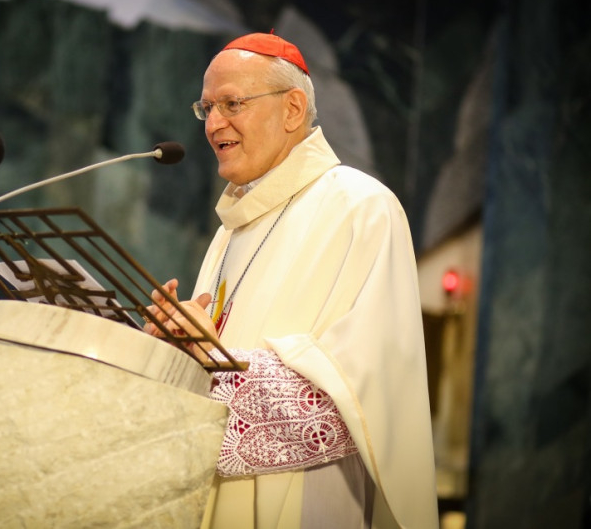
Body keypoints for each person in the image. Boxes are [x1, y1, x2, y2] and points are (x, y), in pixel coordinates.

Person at [144, 33, 438, 528]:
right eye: (207, 108)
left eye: (232, 104)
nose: (213, 123)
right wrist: (178, 348)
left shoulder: (361, 208)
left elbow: (350, 399)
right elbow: (212, 369)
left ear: (293, 109)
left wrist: (215, 359)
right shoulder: (232, 229)